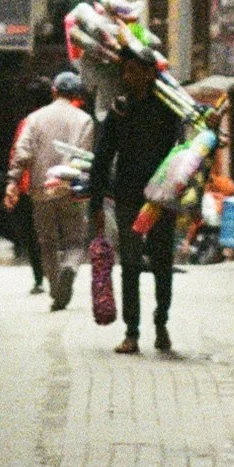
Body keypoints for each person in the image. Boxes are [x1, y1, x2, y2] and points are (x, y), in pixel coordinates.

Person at [86, 50, 181, 355]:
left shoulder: (169, 108)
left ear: (150, 73)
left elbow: (185, 150)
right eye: (124, 71)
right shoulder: (120, 110)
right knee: (129, 264)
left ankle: (161, 323)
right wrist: (96, 203)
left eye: (133, 71)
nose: (126, 77)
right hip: (128, 196)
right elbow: (102, 158)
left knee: (162, 263)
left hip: (162, 198)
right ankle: (132, 332)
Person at [20, 71, 95, 309]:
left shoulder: (35, 118)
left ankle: (55, 290)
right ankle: (70, 268)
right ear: (76, 95)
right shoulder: (85, 120)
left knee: (47, 242)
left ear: (54, 91)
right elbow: (84, 157)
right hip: (71, 189)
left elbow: (23, 152)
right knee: (75, 241)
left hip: (42, 189)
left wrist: (13, 181)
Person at [3, 102, 48, 294]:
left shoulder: (27, 123)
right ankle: (54, 273)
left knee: (31, 233)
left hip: (29, 186)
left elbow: (17, 153)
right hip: (54, 183)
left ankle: (39, 278)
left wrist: (13, 183)